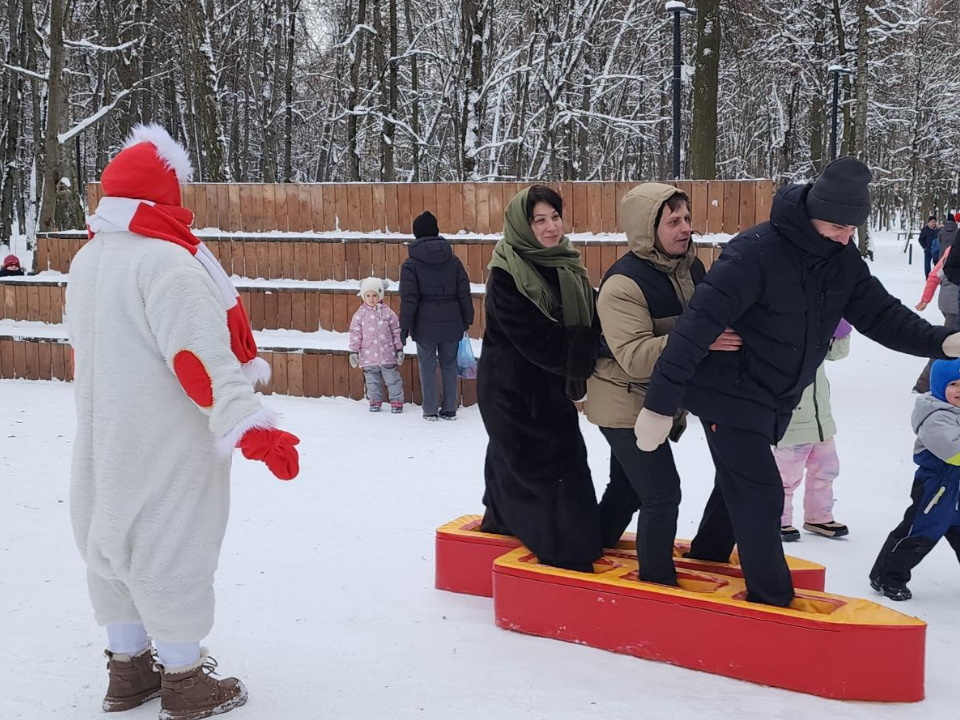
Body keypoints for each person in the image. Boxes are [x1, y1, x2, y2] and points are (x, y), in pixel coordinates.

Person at [634, 157, 960, 608]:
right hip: (726, 391)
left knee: (739, 487)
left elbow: (881, 315)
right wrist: (659, 405)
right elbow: (696, 327)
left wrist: (943, 342)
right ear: (812, 214)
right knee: (762, 494)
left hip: (772, 397)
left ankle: (709, 556)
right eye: (837, 227)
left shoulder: (840, 259)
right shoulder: (755, 252)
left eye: (853, 229)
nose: (846, 237)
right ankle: (771, 601)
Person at [65, 124, 300, 719]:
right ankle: (185, 679)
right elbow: (202, 359)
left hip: (104, 435)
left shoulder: (89, 257)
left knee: (108, 541)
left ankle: (128, 670)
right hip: (166, 435)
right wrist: (252, 426)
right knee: (172, 545)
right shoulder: (168, 262)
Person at [584, 183, 741, 586]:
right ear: (646, 228)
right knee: (662, 494)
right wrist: (698, 338)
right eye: (673, 221)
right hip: (623, 403)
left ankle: (587, 547)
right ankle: (655, 582)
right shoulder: (623, 284)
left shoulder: (691, 268)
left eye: (687, 218)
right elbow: (635, 358)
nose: (685, 228)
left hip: (659, 400)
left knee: (627, 489)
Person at [478, 185, 602, 572]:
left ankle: (500, 521)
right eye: (539, 220)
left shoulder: (566, 263)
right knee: (551, 475)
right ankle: (567, 552)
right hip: (513, 393)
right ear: (522, 224)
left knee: (514, 463)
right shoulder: (507, 273)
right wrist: (595, 345)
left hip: (547, 389)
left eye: (555, 217)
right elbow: (537, 340)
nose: (551, 228)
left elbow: (591, 312)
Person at [869, 358, 960, 601]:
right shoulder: (936, 417)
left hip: (957, 490)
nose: (959, 390)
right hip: (937, 488)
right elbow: (953, 452)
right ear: (940, 386)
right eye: (953, 384)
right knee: (919, 534)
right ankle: (889, 577)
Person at [774, 318, 851, 542]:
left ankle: (819, 516)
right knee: (786, 476)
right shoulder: (779, 338)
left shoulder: (815, 330)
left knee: (826, 470)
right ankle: (778, 519)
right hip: (792, 422)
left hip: (821, 420)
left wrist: (841, 327)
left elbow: (836, 353)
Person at [399, 211, 474, 420]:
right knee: (449, 364)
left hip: (424, 324)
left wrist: (404, 328)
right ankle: (450, 408)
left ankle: (430, 410)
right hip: (452, 321)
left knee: (427, 366)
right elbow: (463, 292)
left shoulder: (410, 264)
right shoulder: (454, 260)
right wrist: (467, 319)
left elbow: (409, 299)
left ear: (416, 234)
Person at [348, 276, 405, 413]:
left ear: (380, 294)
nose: (371, 298)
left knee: (392, 379)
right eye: (367, 295)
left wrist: (399, 349)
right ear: (363, 296)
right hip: (368, 355)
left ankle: (396, 401)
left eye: (375, 295)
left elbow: (396, 331)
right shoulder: (360, 315)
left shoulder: (388, 313)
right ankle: (374, 401)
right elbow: (355, 333)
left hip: (387, 354)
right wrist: (354, 352)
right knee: (372, 381)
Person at [914, 239, 959, 393]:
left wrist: (926, 299)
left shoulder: (950, 250)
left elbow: (934, 276)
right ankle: (924, 384)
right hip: (954, 306)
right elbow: (935, 275)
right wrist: (925, 299)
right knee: (948, 345)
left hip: (947, 303)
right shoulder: (952, 252)